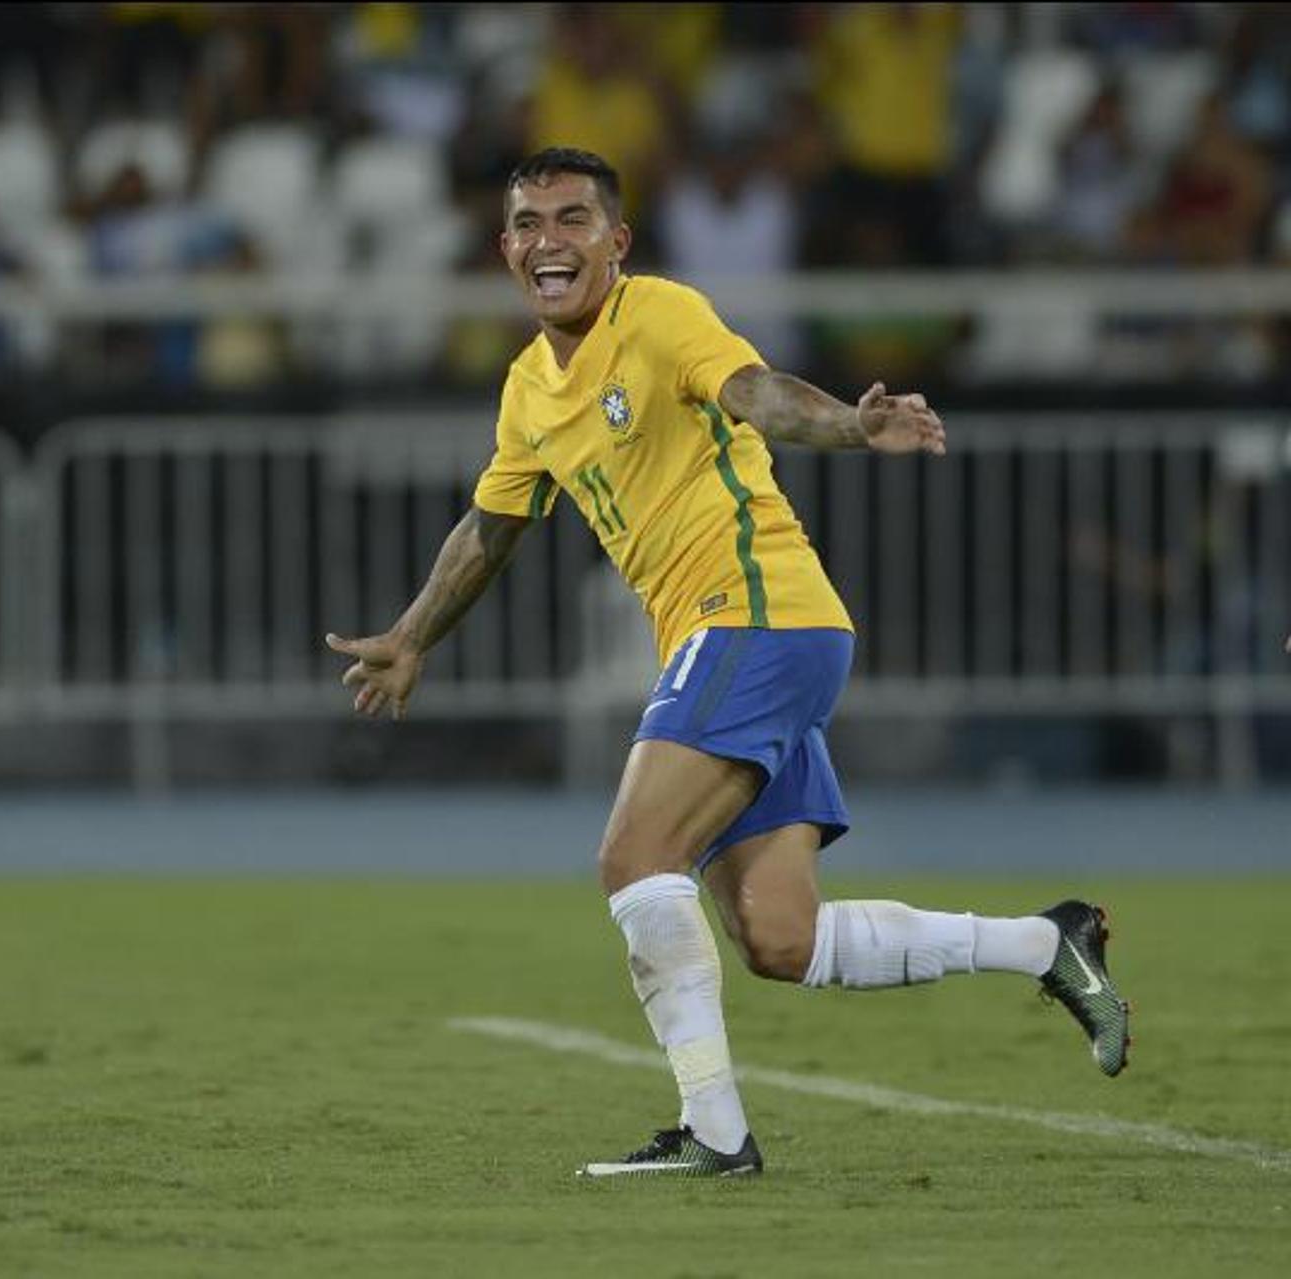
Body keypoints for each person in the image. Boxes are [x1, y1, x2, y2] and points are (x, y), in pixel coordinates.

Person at [325, 148, 1131, 1179]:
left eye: (573, 220)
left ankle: (714, 1134)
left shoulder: (659, 315)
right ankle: (1047, 942)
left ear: (616, 242)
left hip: (754, 615)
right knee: (779, 939)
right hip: (753, 638)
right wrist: (410, 635)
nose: (547, 242)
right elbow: (492, 526)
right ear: (504, 249)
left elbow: (756, 393)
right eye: (528, 224)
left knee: (632, 856)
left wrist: (848, 423)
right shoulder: (529, 387)